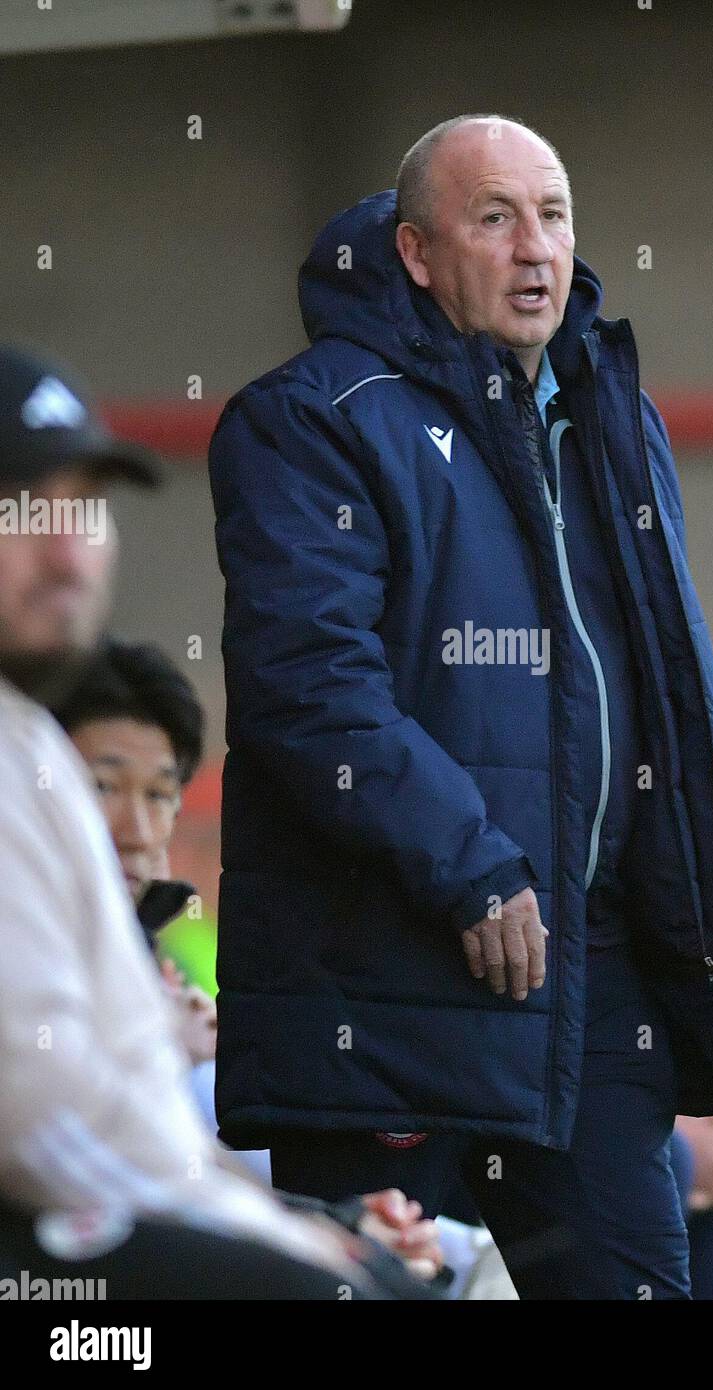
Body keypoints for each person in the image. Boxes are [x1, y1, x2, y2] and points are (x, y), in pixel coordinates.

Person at [209, 114, 713, 1300]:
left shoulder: (614, 417)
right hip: (390, 972)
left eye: (554, 214)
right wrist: (469, 866)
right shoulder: (312, 417)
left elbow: (661, 696)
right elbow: (307, 688)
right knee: (386, 1289)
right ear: (416, 253)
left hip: (593, 969)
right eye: (495, 217)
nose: (537, 247)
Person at [0, 343, 440, 1298]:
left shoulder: (27, 747)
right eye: (22, 509)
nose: (68, 549)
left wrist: (293, 1225)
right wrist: (284, 1245)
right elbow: (38, 1114)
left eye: (86, 510)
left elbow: (119, 1105)